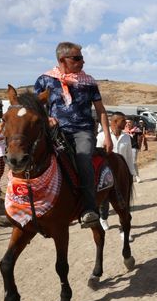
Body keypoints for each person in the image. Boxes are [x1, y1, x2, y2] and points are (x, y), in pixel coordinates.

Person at [34, 41, 113, 229]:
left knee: (83, 159)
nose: (82, 62)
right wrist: (46, 119)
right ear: (62, 59)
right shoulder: (44, 80)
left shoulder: (89, 82)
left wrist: (107, 135)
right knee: (31, 156)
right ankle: (20, 206)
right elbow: (35, 107)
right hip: (54, 131)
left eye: (82, 58)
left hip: (82, 131)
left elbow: (101, 110)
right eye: (77, 58)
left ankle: (89, 209)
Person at [96, 112, 135, 240]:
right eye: (123, 121)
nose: (126, 123)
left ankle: (123, 229)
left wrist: (131, 174)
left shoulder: (127, 137)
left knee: (123, 203)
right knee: (104, 201)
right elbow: (97, 159)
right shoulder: (102, 136)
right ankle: (103, 217)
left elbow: (129, 157)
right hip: (106, 175)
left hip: (122, 175)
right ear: (115, 122)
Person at [124, 119, 142, 183]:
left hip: (134, 147)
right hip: (126, 147)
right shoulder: (123, 131)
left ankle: (137, 176)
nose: (128, 124)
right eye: (126, 122)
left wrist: (139, 146)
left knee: (133, 162)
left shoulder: (137, 130)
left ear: (132, 123)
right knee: (126, 162)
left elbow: (140, 138)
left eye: (129, 122)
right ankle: (130, 176)